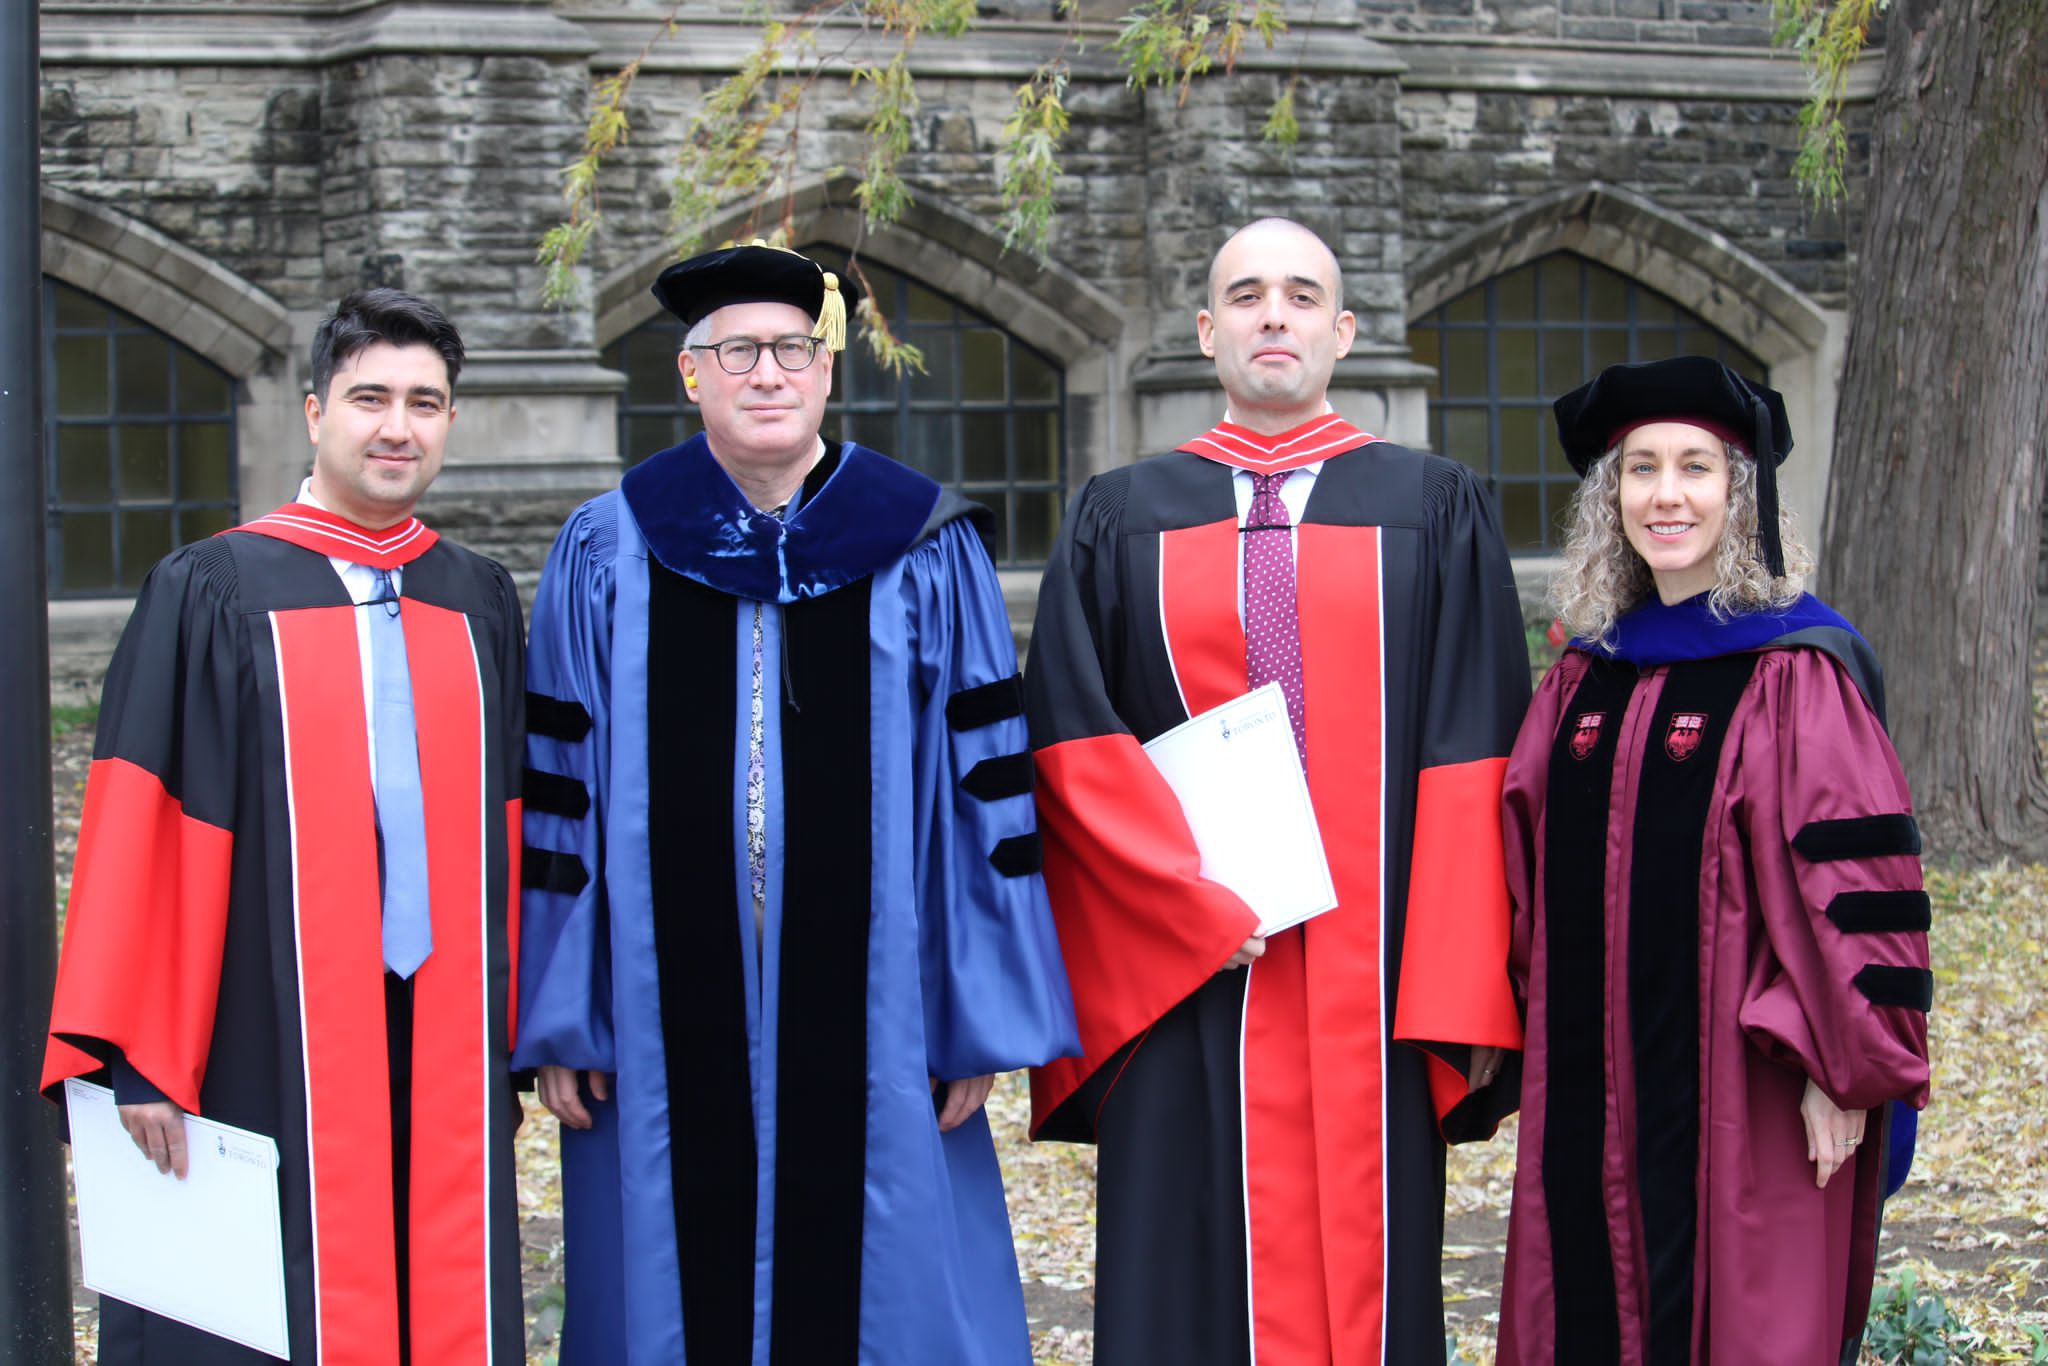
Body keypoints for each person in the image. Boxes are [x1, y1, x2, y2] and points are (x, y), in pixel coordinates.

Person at [513, 241, 1078, 1366]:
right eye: (736, 352)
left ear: (827, 370)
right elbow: (557, 806)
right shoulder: (607, 546)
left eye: (789, 349)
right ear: (691, 375)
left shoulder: (922, 544)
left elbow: (987, 802)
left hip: (887, 1014)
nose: (764, 373)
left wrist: (971, 1015)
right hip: (656, 1010)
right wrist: (565, 1012)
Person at [1024, 217, 1532, 1365]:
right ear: (1206, 334)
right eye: (1245, 295)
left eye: (1301, 295)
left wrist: (1460, 986)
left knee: (1370, 1264)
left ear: (1340, 333)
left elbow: (1476, 751)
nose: (1272, 314)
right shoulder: (1119, 515)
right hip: (1181, 962)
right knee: (1178, 1261)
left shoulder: (1434, 506)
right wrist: (1177, 898)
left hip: (1377, 963)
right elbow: (1067, 740)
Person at [42, 289, 528, 1363]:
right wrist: (143, 1056)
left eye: (425, 401)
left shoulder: (476, 598)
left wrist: (515, 1034)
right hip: (259, 1022)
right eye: (369, 398)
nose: (397, 425)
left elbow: (508, 829)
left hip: (439, 1027)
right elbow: (148, 821)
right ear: (315, 413)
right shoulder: (212, 588)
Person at [1496, 356, 1933, 1365]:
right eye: (1639, 469)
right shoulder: (1581, 679)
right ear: (1612, 501)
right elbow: (1519, 876)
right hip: (1585, 1091)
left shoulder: (1797, 668)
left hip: (1748, 1092)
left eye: (1695, 467)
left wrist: (1845, 1070)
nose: (1665, 494)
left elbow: (1855, 888)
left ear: (1741, 495)